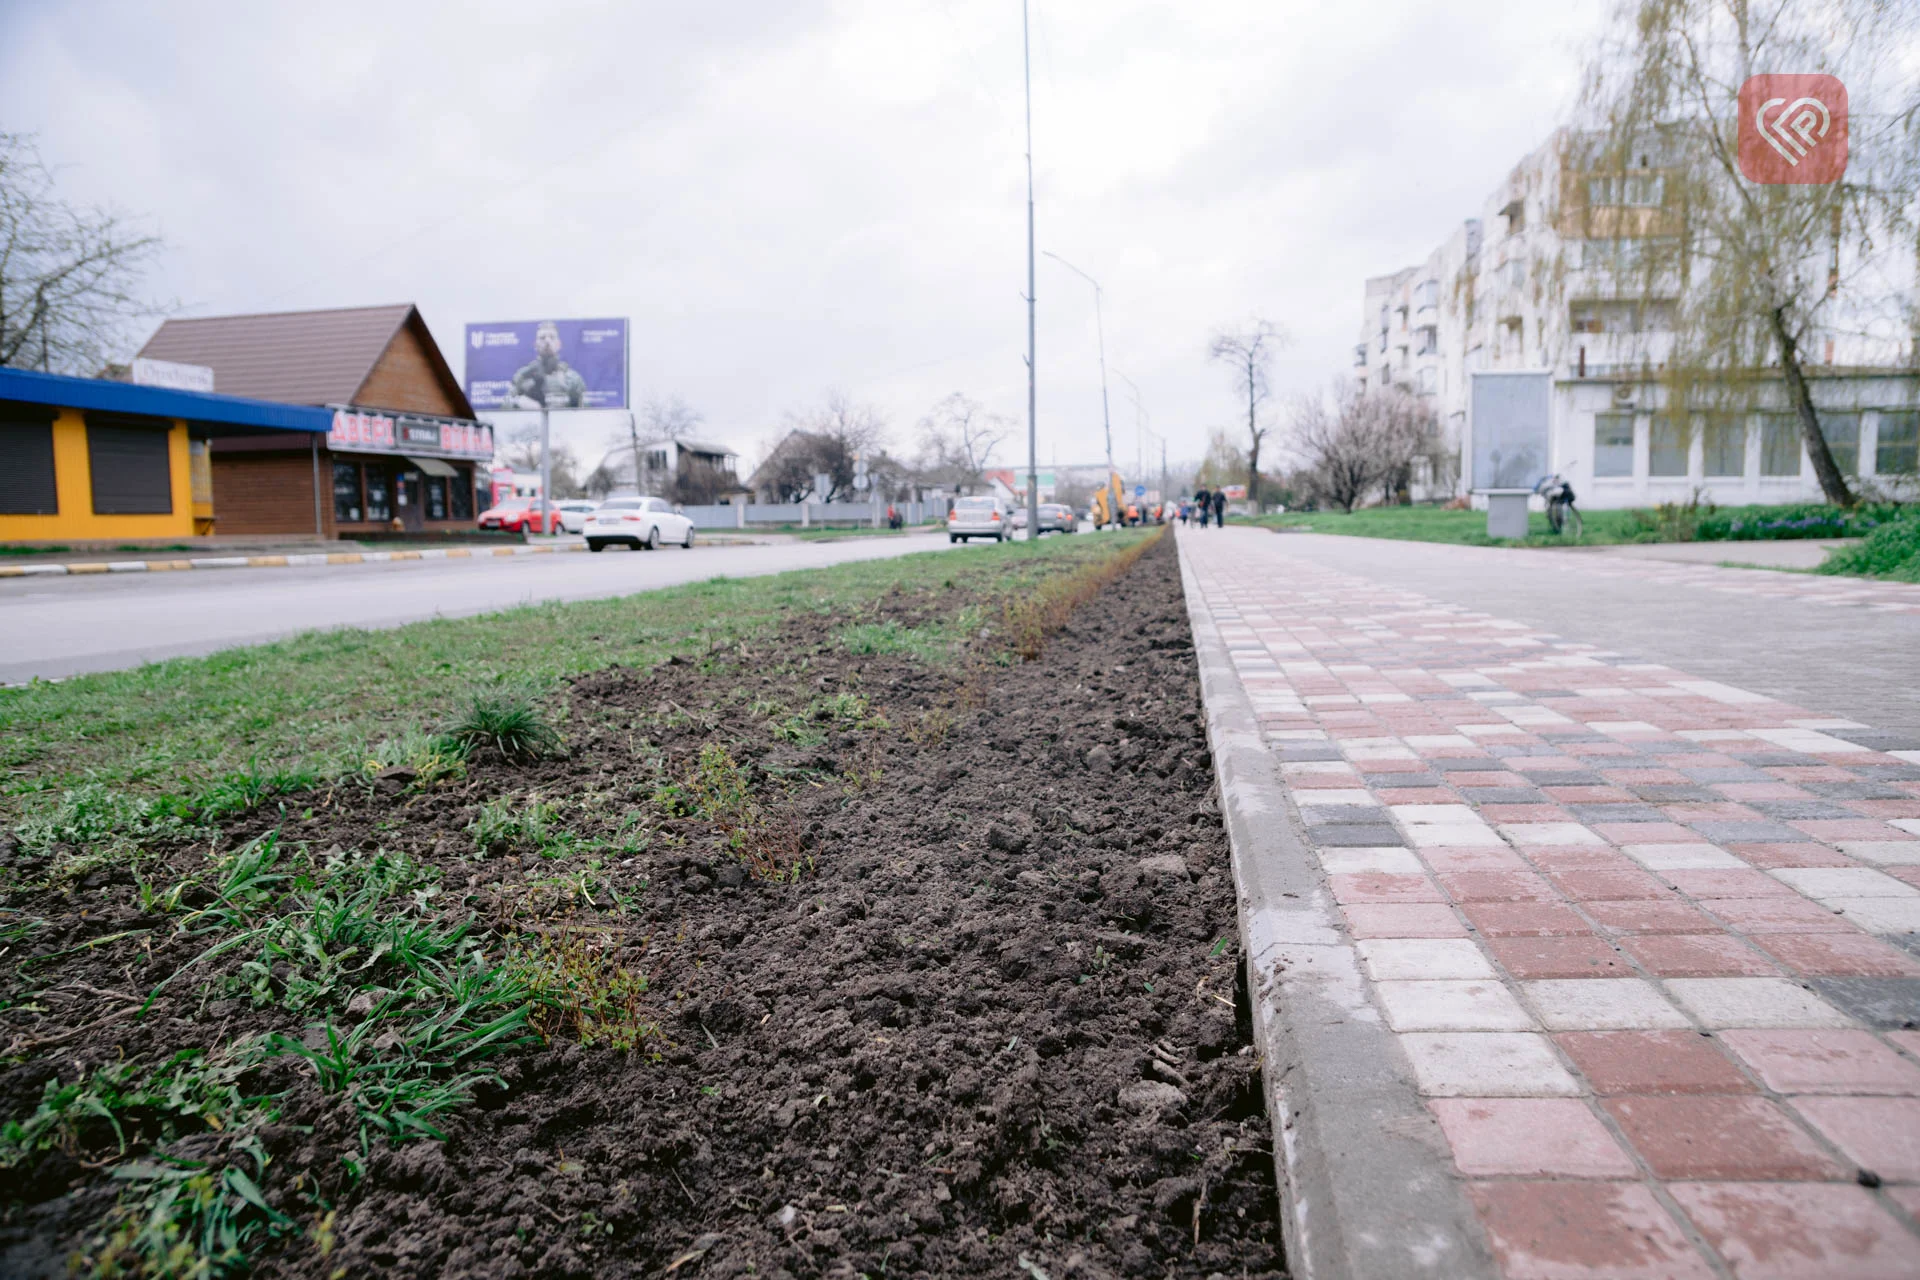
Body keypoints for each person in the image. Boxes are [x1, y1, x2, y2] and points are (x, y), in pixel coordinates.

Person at [509, 321, 588, 409]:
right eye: (542, 338)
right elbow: (504, 405)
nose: (547, 341)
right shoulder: (524, 375)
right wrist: (518, 402)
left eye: (552, 337)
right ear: (536, 345)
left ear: (559, 344)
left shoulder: (573, 378)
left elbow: (585, 412)